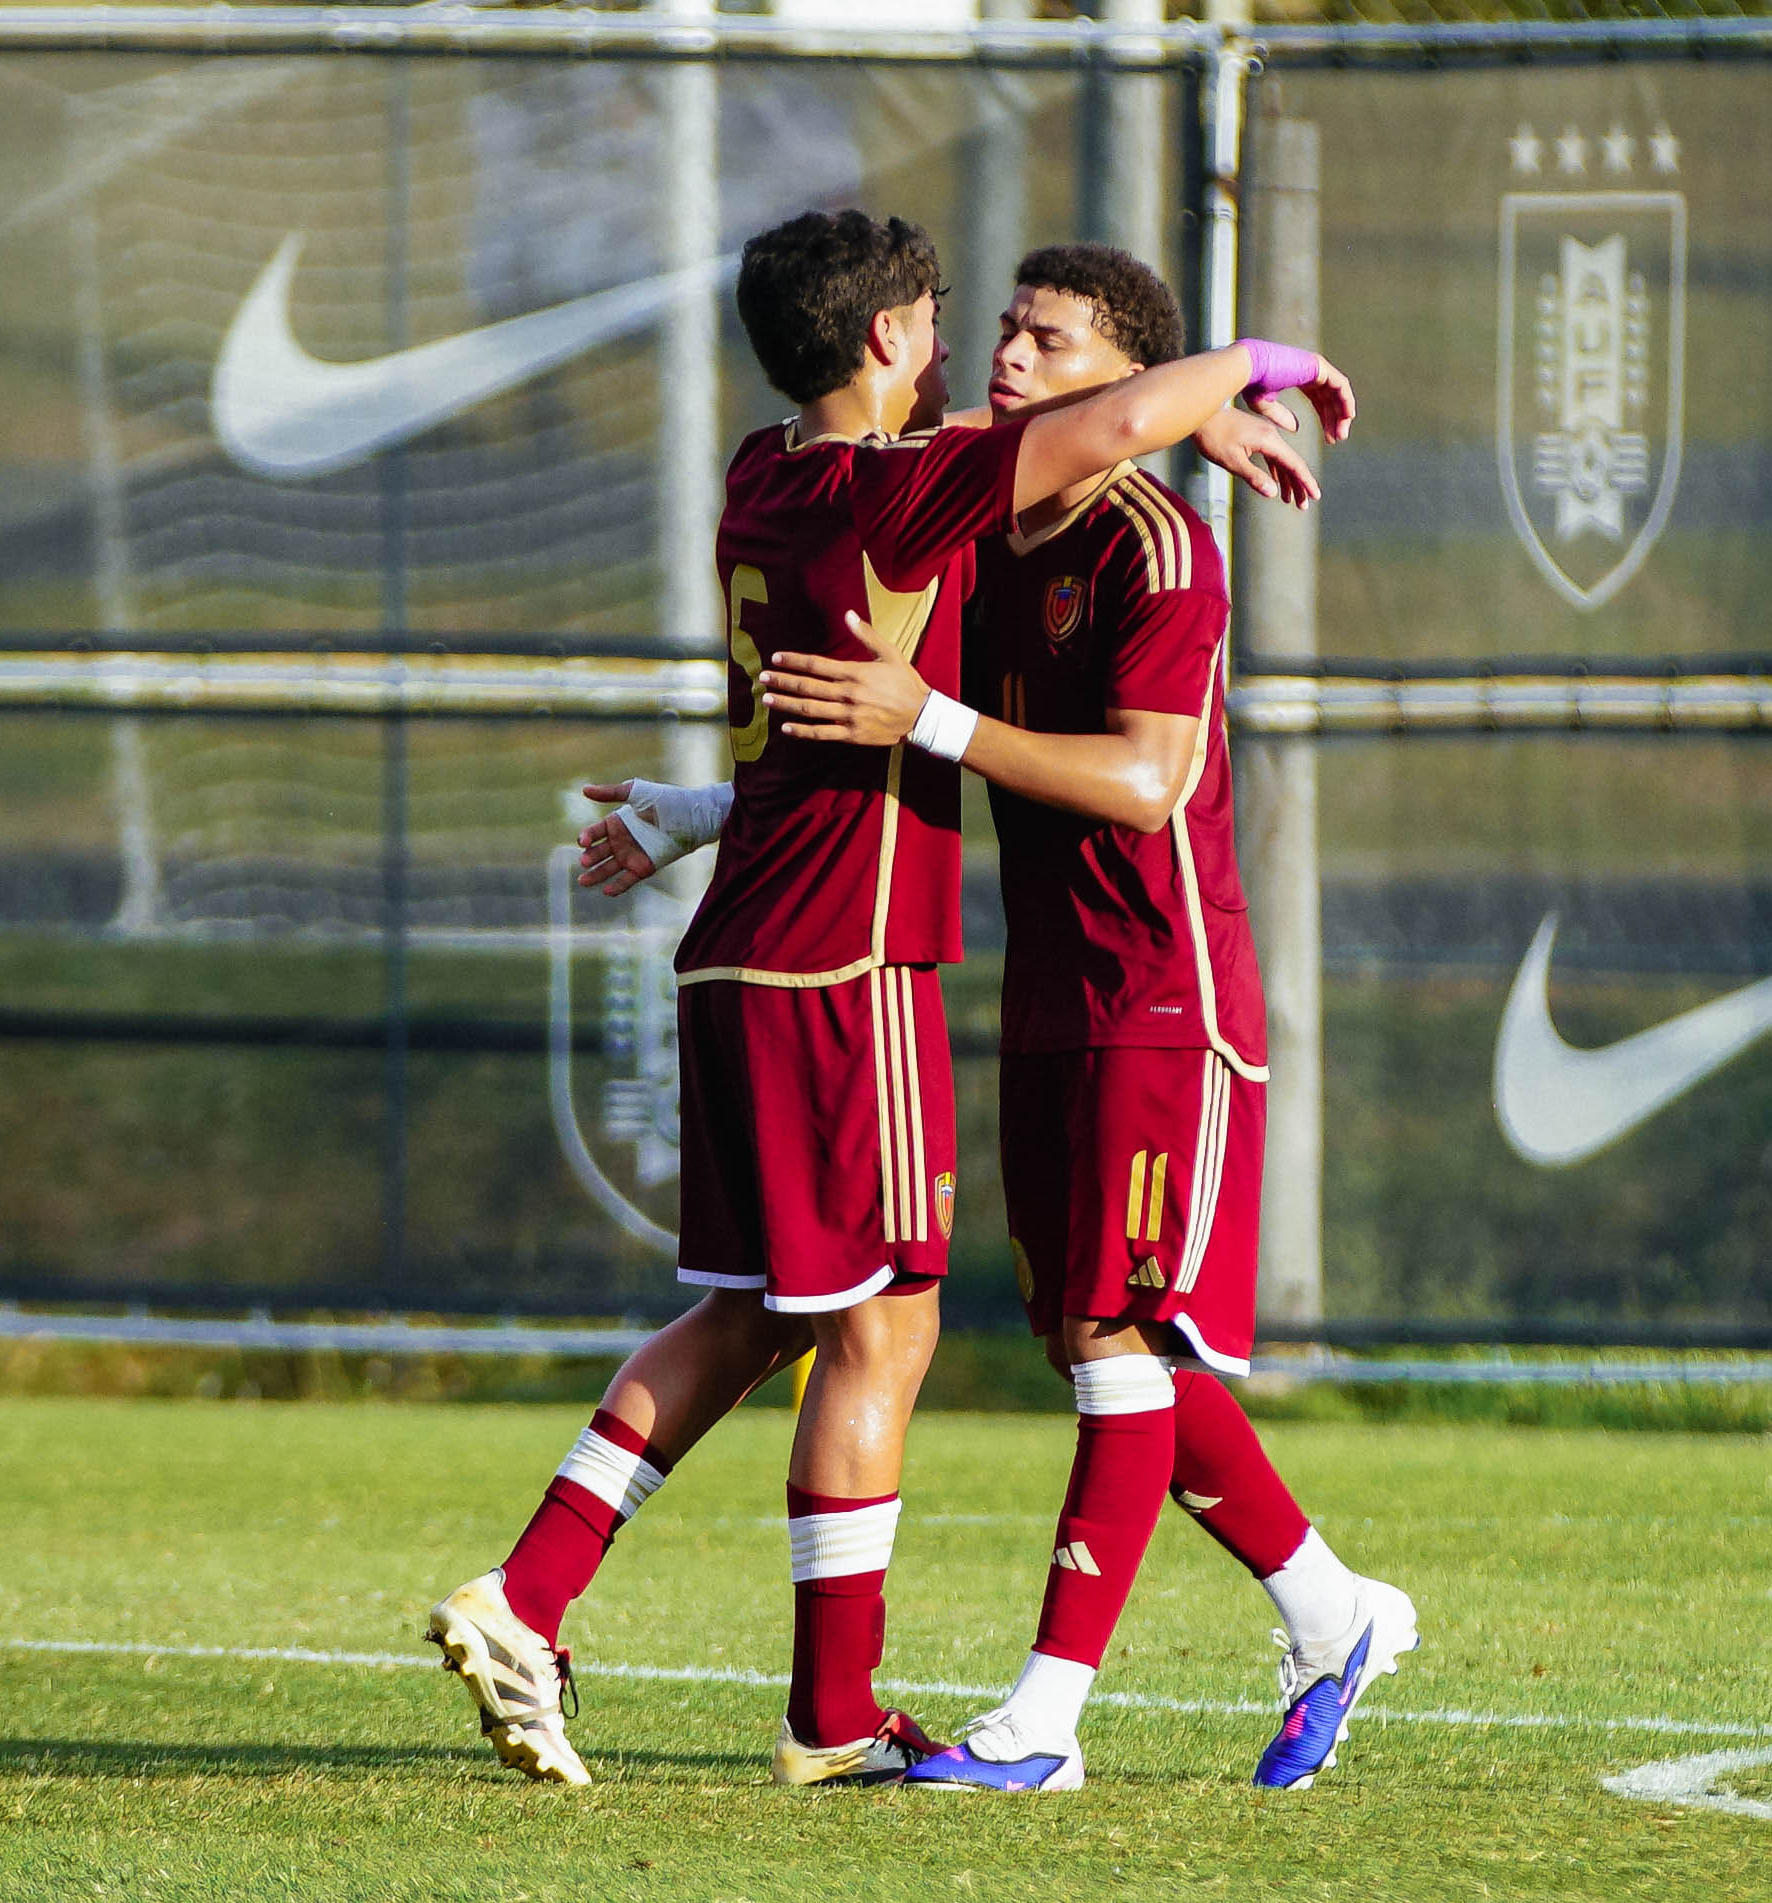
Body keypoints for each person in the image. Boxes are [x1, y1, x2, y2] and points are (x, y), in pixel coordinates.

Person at [428, 208, 1347, 1790]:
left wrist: (691, 807)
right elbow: (1103, 424)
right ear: (886, 343)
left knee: (759, 1314)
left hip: (748, 932)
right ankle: (816, 1712)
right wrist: (1250, 366)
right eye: (951, 322)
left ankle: (546, 1601)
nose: (977, 354)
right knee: (891, 1326)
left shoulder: (765, 469)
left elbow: (1022, 490)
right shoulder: (908, 489)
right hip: (844, 958)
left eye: (1029, 336)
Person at [751, 244, 1416, 1794]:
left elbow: (1147, 781)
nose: (1004, 356)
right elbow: (863, 708)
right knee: (1095, 1347)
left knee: (1118, 1345)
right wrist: (693, 812)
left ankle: (1041, 1722)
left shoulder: (1158, 550)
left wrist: (935, 718)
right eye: (1003, 330)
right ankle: (1334, 1612)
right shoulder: (979, 533)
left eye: (1046, 342)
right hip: (1051, 999)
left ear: (1116, 383)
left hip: (1160, 997)